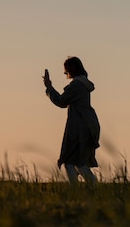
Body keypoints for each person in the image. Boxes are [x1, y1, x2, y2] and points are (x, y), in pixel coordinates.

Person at [43, 56, 100, 186]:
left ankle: (76, 190)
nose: (64, 73)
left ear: (71, 69)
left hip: (79, 126)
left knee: (69, 161)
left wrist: (49, 87)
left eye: (66, 70)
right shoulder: (84, 84)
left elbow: (61, 101)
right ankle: (94, 189)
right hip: (89, 125)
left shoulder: (76, 85)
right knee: (79, 162)